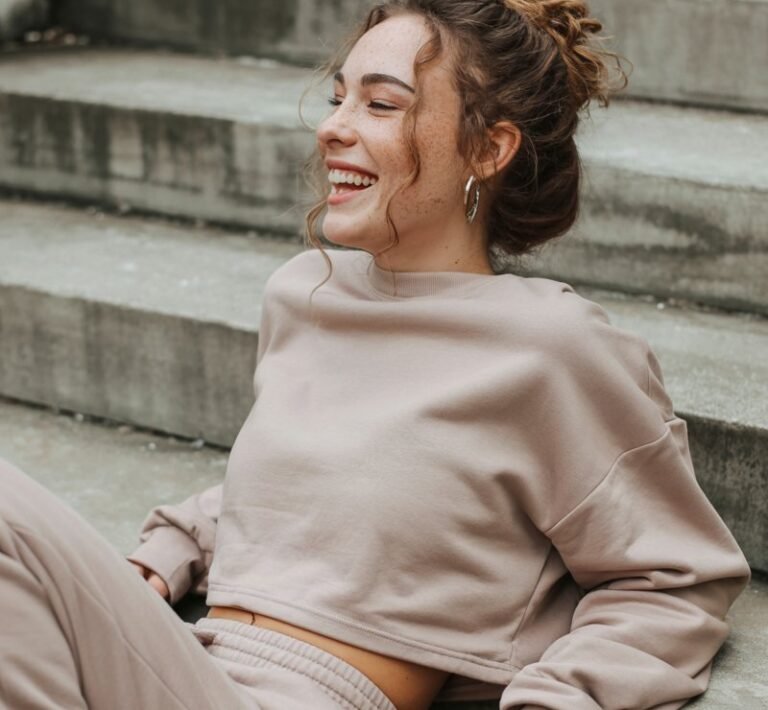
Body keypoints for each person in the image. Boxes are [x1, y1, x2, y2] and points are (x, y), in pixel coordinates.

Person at [0, 1, 751, 709]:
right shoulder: (305, 293)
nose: (333, 128)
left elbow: (676, 576)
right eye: (338, 97)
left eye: (380, 104)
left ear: (488, 149)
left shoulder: (552, 348)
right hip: (187, 657)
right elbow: (311, 486)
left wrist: (561, 697)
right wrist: (171, 547)